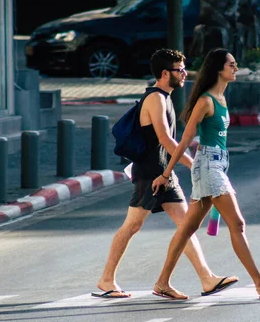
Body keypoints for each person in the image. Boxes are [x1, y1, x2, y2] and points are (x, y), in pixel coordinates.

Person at [94, 48, 238, 300]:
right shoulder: (155, 99)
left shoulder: (166, 98)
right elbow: (166, 140)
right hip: (150, 175)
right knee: (132, 225)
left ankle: (206, 279)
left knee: (186, 226)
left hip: (164, 174)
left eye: (183, 69)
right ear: (164, 73)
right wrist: (194, 164)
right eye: (179, 70)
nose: (184, 74)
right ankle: (106, 279)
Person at [151, 48, 260, 300]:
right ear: (218, 69)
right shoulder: (205, 101)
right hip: (208, 166)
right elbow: (185, 140)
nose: (235, 68)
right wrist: (166, 173)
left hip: (216, 164)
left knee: (186, 230)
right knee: (237, 223)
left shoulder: (222, 98)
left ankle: (162, 282)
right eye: (231, 65)